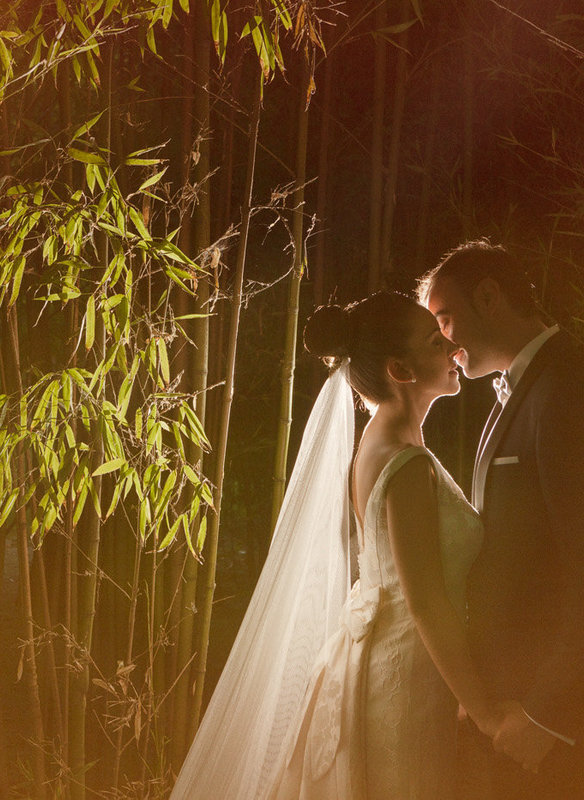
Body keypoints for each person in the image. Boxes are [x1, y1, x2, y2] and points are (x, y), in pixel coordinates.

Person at [171, 291, 502, 800]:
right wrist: (483, 710)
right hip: (403, 679)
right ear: (401, 368)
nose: (454, 349)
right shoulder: (407, 463)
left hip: (372, 661)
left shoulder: (376, 441)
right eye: (437, 342)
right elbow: (425, 602)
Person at [419, 239, 584, 800]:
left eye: (444, 320)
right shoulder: (516, 392)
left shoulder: (570, 390)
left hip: (563, 724)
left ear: (490, 297)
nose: (441, 343)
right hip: (509, 702)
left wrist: (548, 714)